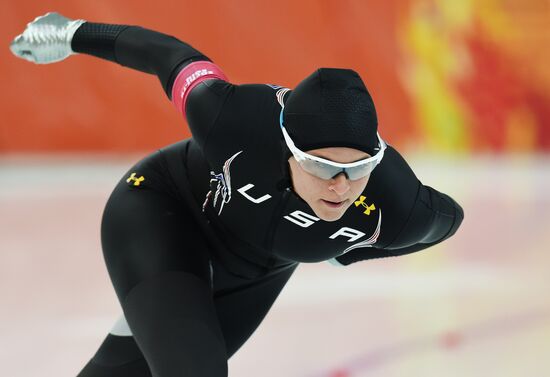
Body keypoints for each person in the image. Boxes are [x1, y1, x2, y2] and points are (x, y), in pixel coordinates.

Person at [10, 12, 464, 377]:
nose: (339, 186)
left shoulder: (397, 203)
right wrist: (72, 34)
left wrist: (348, 251)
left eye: (357, 168)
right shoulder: (232, 117)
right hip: (163, 214)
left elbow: (450, 220)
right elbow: (168, 55)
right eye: (322, 165)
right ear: (287, 148)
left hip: (254, 271)